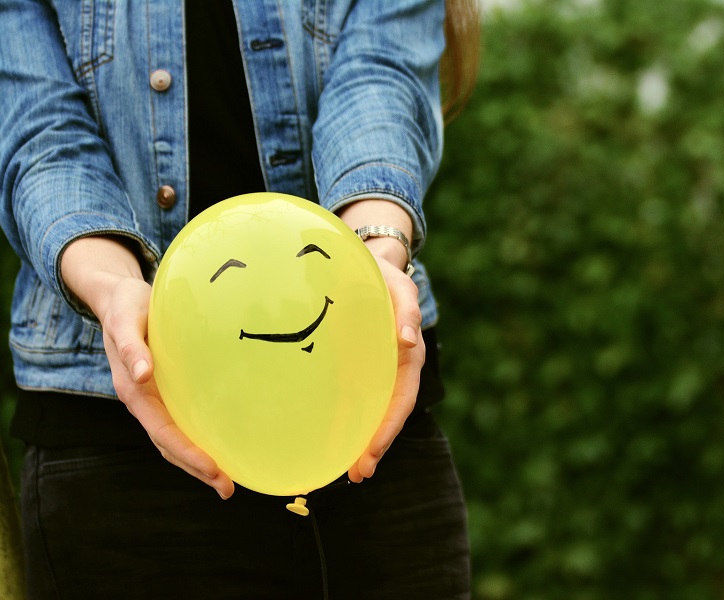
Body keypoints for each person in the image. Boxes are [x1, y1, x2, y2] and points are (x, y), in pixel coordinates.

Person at [0, 0, 479, 597]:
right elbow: (40, 131)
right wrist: (114, 289)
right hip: (115, 437)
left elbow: (381, 77)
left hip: (366, 416)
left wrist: (376, 250)